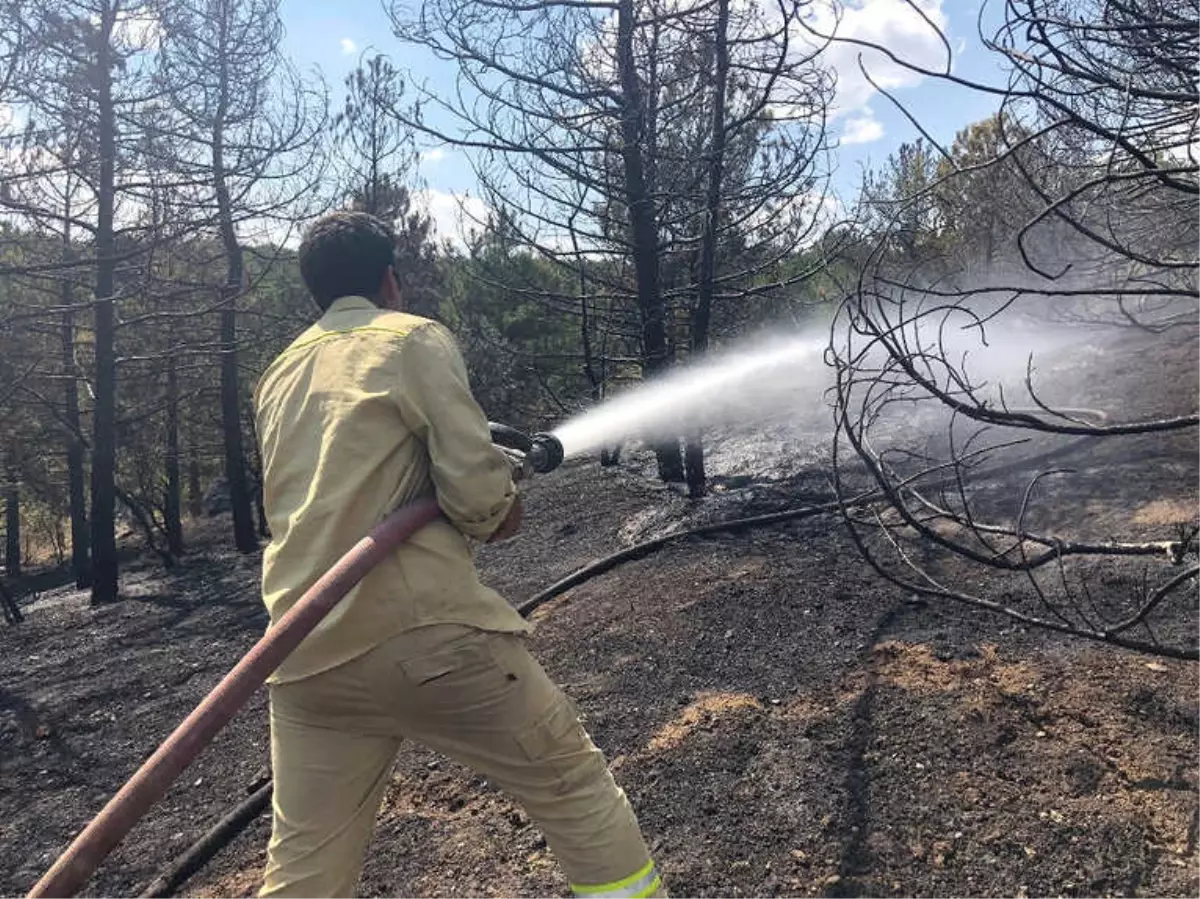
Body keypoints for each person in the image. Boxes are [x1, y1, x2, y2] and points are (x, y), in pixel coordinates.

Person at [253, 211, 666, 898]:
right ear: (392, 279)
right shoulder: (411, 338)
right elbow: (481, 504)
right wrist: (502, 498)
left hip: (301, 655)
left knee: (303, 866)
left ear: (314, 295)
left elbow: (338, 487)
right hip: (421, 635)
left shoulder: (278, 372)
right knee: (571, 784)